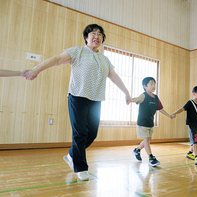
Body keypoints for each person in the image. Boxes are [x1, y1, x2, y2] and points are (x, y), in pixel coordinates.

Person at [24, 24, 131, 181]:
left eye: (100, 34)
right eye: (93, 33)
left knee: (92, 134)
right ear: (86, 37)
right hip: (78, 96)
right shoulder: (77, 52)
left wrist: (126, 93)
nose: (97, 36)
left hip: (96, 99)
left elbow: (114, 77)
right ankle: (80, 167)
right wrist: (36, 69)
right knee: (79, 132)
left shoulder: (104, 59)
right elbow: (55, 60)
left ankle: (71, 154)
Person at [131, 77, 174, 167]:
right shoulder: (144, 95)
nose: (154, 86)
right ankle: (151, 158)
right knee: (146, 139)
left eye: (154, 84)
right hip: (142, 122)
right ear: (145, 86)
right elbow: (138, 98)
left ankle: (137, 150)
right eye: (151, 84)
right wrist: (130, 100)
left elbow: (160, 109)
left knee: (148, 140)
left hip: (150, 122)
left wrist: (169, 115)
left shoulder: (155, 98)